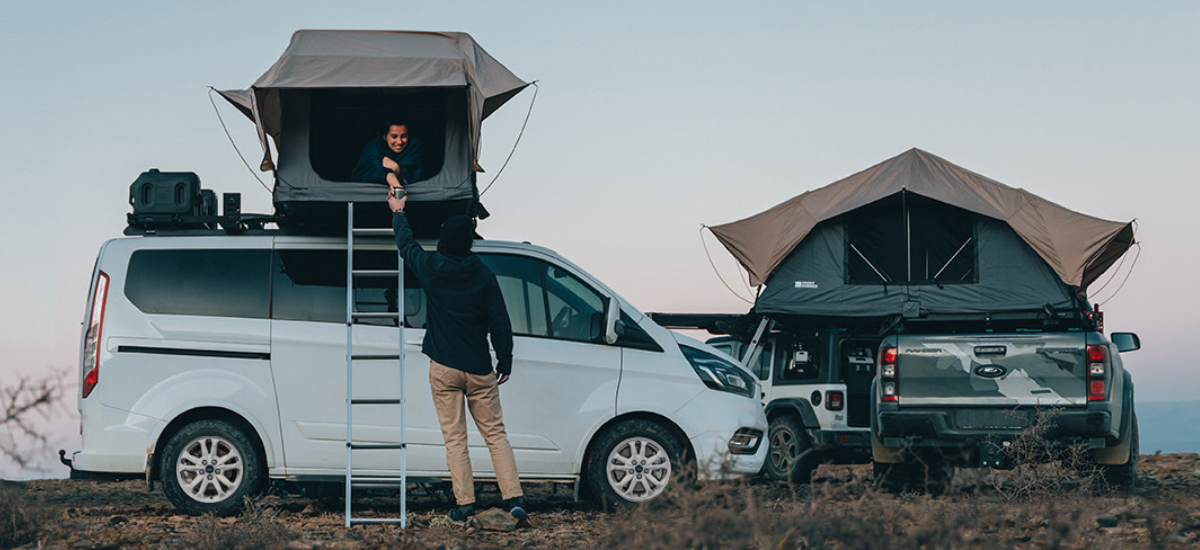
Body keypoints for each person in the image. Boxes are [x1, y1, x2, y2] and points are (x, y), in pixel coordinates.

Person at [386, 190, 527, 525]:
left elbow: (407, 247)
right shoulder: (483, 275)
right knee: (496, 435)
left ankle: (465, 506)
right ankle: (515, 500)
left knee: (455, 440)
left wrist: (398, 213)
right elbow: (500, 321)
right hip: (479, 369)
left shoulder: (432, 268)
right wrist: (504, 360)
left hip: (444, 368)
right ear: (469, 243)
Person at [352, 121, 425, 188]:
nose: (399, 142)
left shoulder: (414, 146)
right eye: (394, 136)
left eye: (403, 136)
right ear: (385, 136)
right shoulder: (374, 147)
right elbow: (374, 170)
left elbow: (414, 174)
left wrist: (397, 169)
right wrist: (396, 186)